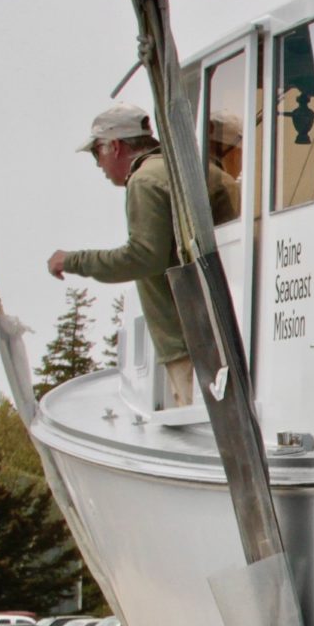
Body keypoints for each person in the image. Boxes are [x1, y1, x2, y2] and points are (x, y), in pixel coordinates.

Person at [49, 103, 192, 406]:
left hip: (188, 340)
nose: (98, 165)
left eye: (96, 153)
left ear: (114, 147)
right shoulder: (183, 169)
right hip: (212, 333)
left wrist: (73, 260)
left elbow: (143, 257)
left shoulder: (144, 181)